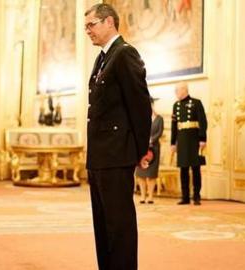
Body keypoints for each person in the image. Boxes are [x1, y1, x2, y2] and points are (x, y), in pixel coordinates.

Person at [84, 3, 151, 270]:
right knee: (103, 226)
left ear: (109, 22)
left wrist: (142, 150)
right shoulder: (103, 57)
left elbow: (140, 105)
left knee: (119, 226)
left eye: (91, 25)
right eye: (85, 26)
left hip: (116, 155)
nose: (87, 31)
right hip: (101, 156)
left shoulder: (124, 54)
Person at [171, 82, 207, 205]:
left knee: (196, 168)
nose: (176, 93)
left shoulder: (196, 103)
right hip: (181, 140)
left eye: (177, 90)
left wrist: (203, 139)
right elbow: (174, 126)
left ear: (184, 90)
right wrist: (173, 142)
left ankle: (196, 196)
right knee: (183, 169)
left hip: (194, 139)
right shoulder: (176, 106)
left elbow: (203, 121)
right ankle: (185, 196)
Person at [135, 97, 164, 204]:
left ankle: (150, 196)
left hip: (154, 148)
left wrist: (151, 139)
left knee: (151, 173)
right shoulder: (140, 117)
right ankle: (142, 196)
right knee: (141, 173)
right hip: (142, 148)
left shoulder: (159, 118)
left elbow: (160, 132)